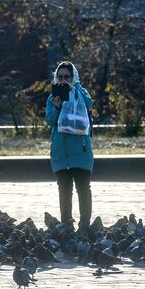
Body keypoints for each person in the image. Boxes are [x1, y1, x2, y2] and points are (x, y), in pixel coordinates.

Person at [45, 61, 94, 226]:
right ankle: (66, 225)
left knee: (83, 188)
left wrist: (75, 89)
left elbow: (89, 104)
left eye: (67, 76)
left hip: (80, 151)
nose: (63, 80)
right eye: (60, 76)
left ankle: (85, 225)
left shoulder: (81, 93)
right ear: (56, 77)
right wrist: (57, 107)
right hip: (60, 153)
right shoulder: (53, 97)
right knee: (64, 190)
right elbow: (50, 121)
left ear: (73, 77)